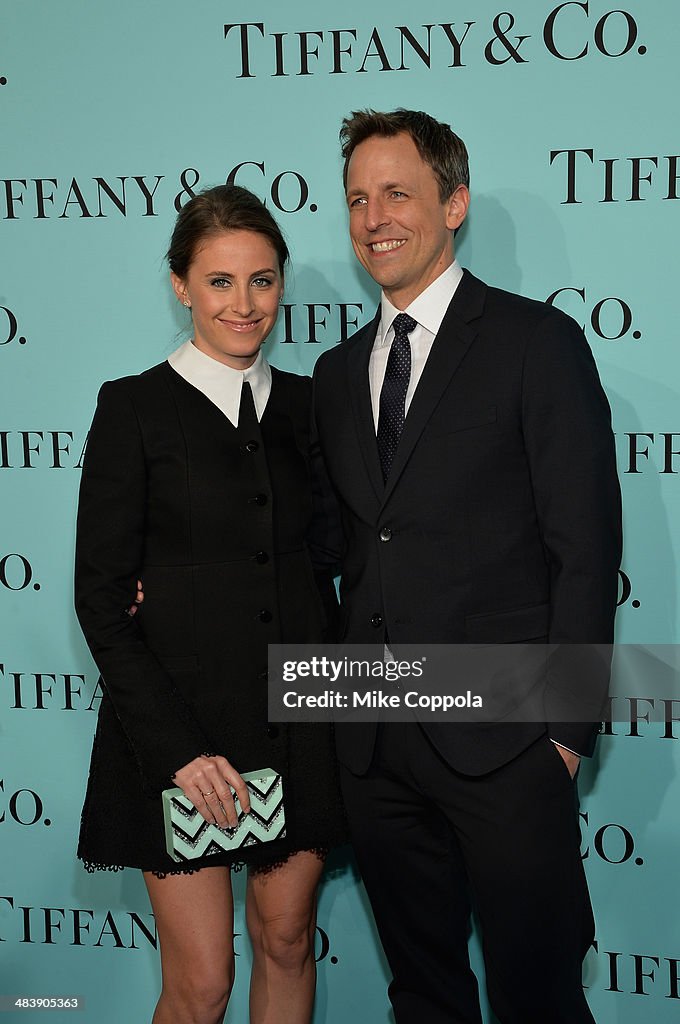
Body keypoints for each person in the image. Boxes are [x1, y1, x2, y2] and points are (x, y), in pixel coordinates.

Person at [311, 109, 622, 1023]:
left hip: (509, 747)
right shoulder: (333, 375)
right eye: (358, 199)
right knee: (426, 998)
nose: (374, 219)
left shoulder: (537, 344)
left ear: (455, 202)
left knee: (539, 1000)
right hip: (372, 748)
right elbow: (333, 548)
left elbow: (586, 546)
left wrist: (563, 735)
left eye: (397, 193)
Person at [75, 184, 345, 1024]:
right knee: (200, 987)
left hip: (298, 717)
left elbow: (336, 553)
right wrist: (180, 751)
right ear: (180, 284)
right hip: (179, 730)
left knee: (289, 942)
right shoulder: (132, 407)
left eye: (262, 280)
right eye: (220, 281)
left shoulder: (313, 405)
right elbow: (99, 596)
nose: (244, 303)